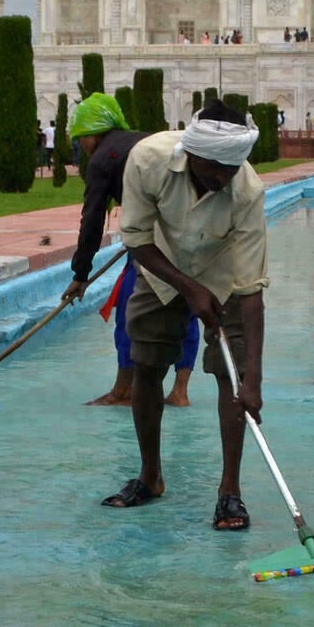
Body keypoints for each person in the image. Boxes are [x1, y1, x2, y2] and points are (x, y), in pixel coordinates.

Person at [98, 101, 266, 528]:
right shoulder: (148, 160)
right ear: (192, 153)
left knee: (233, 376)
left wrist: (254, 378)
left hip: (224, 270)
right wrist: (188, 288)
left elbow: (250, 292)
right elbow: (135, 237)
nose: (223, 178)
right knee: (148, 362)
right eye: (215, 169)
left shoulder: (246, 190)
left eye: (232, 168)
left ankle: (230, 491)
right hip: (161, 262)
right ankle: (150, 476)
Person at [67, 93, 194, 410]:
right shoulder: (142, 141)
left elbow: (93, 218)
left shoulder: (102, 159)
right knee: (185, 301)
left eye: (82, 138)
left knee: (129, 307)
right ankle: (180, 392)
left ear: (93, 133)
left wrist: (80, 274)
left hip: (156, 237)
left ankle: (124, 391)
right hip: (193, 227)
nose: (82, 146)